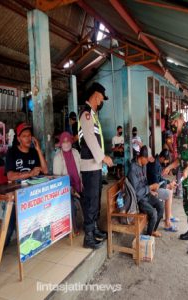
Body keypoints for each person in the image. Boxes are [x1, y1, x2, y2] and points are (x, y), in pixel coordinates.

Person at [78, 82, 113, 249]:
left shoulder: (92, 115)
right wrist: (103, 157)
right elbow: (90, 140)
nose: (101, 102)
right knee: (91, 200)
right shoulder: (85, 114)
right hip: (89, 166)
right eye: (100, 98)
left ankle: (95, 229)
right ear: (95, 96)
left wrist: (101, 160)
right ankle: (88, 237)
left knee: (96, 199)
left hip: (95, 166)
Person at [163, 111, 188, 255]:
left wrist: (187, 169)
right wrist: (169, 167)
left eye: (174, 122)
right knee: (187, 204)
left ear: (180, 120)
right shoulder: (177, 137)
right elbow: (179, 159)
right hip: (185, 176)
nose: (172, 125)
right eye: (170, 124)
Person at [5, 122, 48, 246]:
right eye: (24, 136)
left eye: (29, 135)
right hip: (16, 195)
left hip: (32, 195)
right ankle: (1, 250)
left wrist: (39, 149)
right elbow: (10, 175)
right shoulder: (12, 152)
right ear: (18, 138)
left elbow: (45, 170)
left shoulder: (34, 152)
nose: (28, 138)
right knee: (9, 227)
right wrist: (30, 173)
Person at [128, 145, 164, 237]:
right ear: (142, 157)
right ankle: (148, 236)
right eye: (147, 159)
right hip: (139, 200)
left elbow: (144, 183)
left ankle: (153, 230)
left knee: (160, 206)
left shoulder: (144, 166)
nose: (148, 162)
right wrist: (150, 188)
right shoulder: (133, 169)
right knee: (153, 213)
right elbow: (136, 193)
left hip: (146, 194)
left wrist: (150, 190)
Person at [53, 132, 83, 235]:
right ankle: (73, 229)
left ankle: (89, 225)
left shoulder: (75, 152)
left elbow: (81, 170)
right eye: (64, 142)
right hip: (66, 190)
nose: (66, 144)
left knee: (89, 199)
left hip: (79, 185)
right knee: (71, 204)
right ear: (61, 143)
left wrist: (83, 183)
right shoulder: (57, 158)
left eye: (68, 141)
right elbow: (58, 181)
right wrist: (71, 189)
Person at [147, 149, 178, 231]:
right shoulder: (155, 165)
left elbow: (160, 179)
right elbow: (156, 184)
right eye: (165, 161)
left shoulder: (157, 162)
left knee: (170, 190)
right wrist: (167, 185)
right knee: (169, 193)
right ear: (162, 158)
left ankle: (169, 216)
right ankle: (167, 223)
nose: (165, 163)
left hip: (153, 187)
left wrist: (168, 182)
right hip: (151, 190)